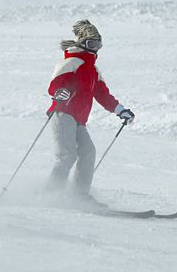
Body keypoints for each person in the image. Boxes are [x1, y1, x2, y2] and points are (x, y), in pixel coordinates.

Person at [45, 19, 134, 203]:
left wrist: (120, 110)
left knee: (88, 152)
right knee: (66, 155)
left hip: (78, 119)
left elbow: (103, 94)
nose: (96, 48)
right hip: (62, 113)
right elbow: (55, 83)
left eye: (99, 44)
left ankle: (79, 196)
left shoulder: (93, 70)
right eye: (92, 44)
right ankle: (49, 196)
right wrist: (58, 92)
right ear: (83, 44)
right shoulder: (72, 62)